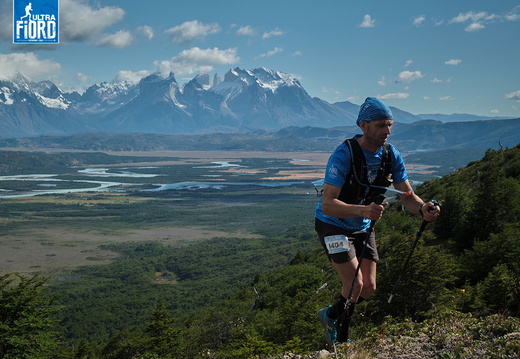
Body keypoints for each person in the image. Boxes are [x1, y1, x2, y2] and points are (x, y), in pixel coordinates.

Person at [315, 97, 440, 348]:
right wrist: (364, 210)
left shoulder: (390, 155)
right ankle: (341, 341)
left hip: (363, 225)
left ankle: (330, 315)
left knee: (368, 288)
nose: (388, 131)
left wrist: (423, 207)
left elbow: (407, 196)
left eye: (390, 125)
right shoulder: (343, 154)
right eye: (381, 125)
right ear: (364, 125)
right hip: (333, 224)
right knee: (354, 284)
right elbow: (328, 203)